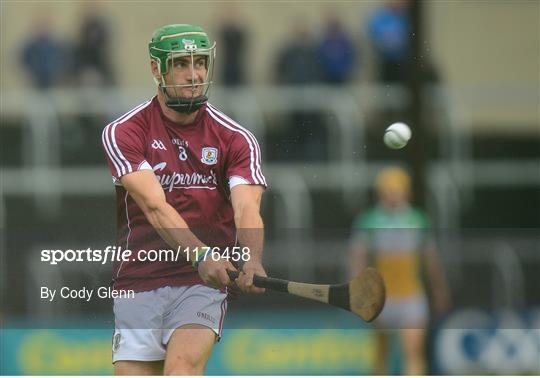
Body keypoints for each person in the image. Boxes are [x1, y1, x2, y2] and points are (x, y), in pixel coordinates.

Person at [101, 24, 267, 375]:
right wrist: (200, 253)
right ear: (156, 69)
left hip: (202, 284)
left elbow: (246, 206)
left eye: (200, 63)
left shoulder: (235, 139)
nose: (194, 75)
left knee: (181, 368)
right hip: (139, 279)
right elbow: (155, 207)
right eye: (180, 64)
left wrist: (251, 257)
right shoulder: (125, 131)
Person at [348, 167, 451, 375]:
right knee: (382, 352)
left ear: (406, 192)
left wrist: (439, 290)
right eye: (389, 190)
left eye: (397, 190)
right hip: (381, 297)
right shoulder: (369, 221)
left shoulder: (418, 220)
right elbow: (358, 258)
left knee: (413, 351)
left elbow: (430, 261)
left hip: (412, 295)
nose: (393, 195)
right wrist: (357, 289)